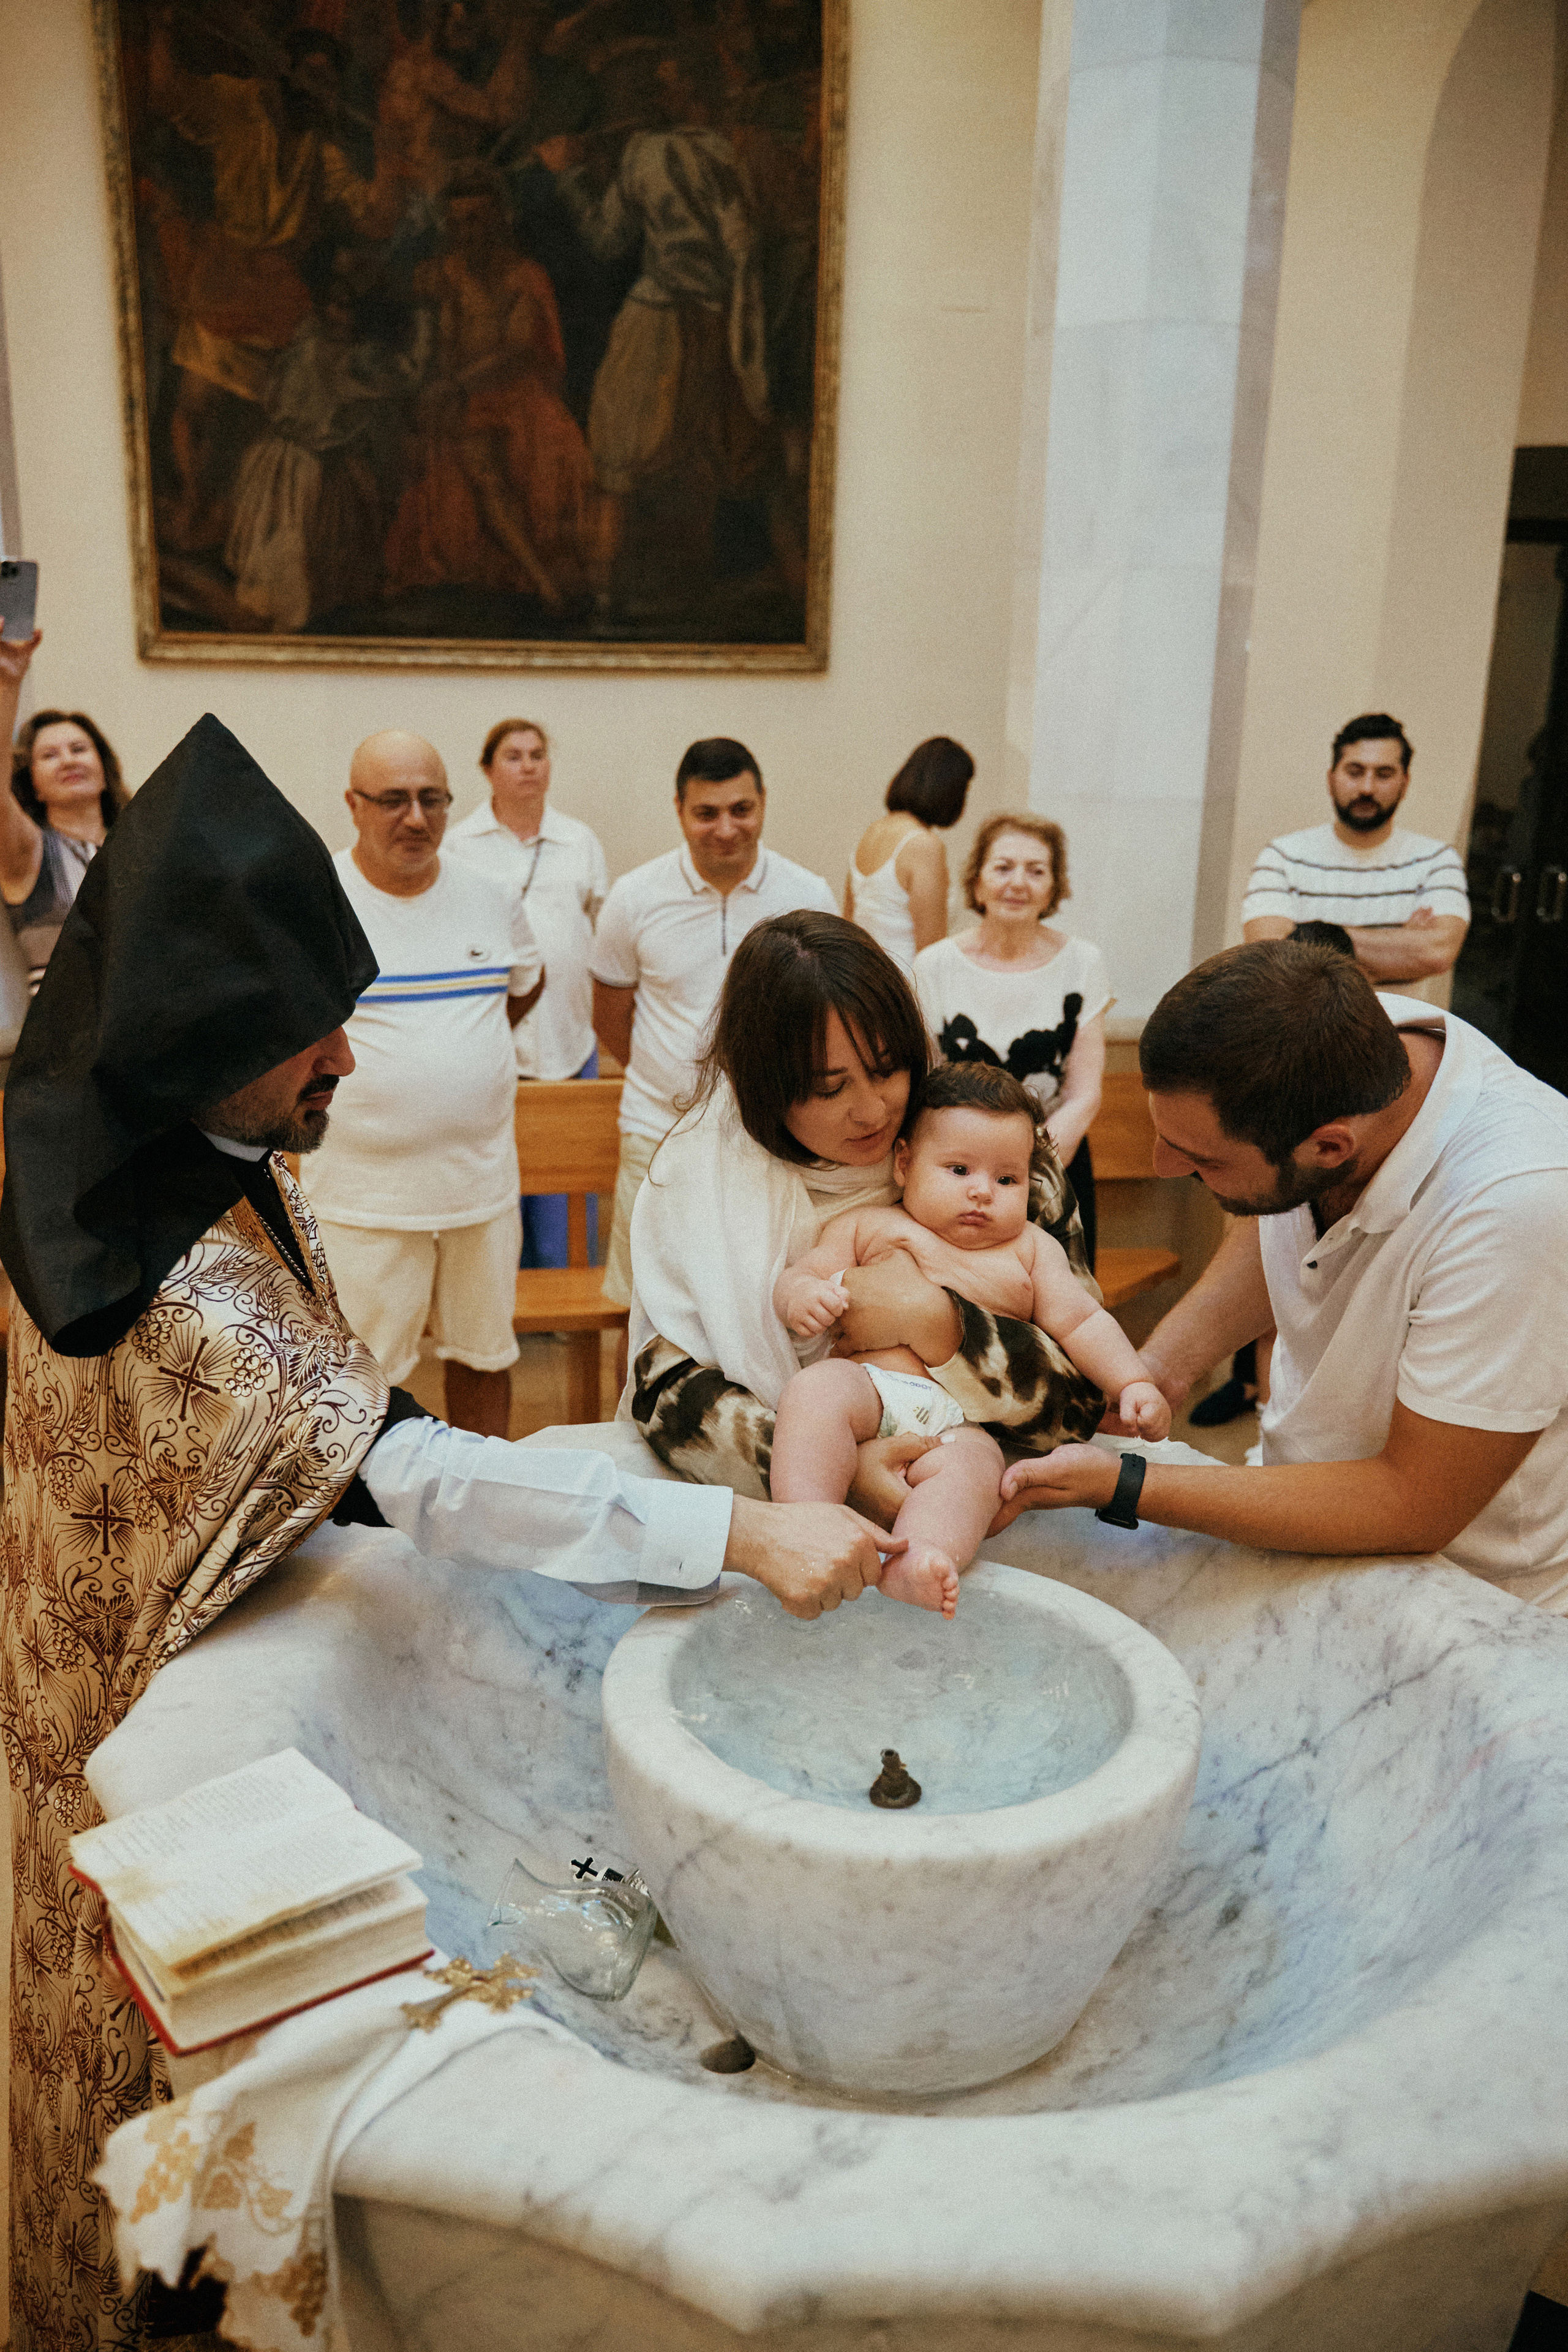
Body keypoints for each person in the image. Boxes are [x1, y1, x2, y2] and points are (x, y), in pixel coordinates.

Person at [0, 714, 897, 2350]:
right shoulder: (185, 1296)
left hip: (115, 1647)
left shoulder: (109, 1126)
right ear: (206, 1030)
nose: (347, 1062)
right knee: (133, 2160)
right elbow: (407, 1470)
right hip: (115, 1743)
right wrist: (738, 1536)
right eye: (314, 1037)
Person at [993, 940, 1568, 1616]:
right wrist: (1158, 1369)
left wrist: (1126, 1484)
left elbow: (1413, 1502)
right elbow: (1281, 1209)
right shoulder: (1344, 1042)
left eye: (1199, 1158)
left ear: (1330, 1145)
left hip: (1471, 1594)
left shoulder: (1519, 1206)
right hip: (1300, 1506)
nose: (1165, 1166)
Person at [627, 911, 1109, 1507]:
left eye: (888, 1070)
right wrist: (842, 1469)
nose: (872, 1111)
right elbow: (664, 1393)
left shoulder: (997, 1162)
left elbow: (1082, 1404)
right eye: (830, 1088)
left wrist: (940, 1324)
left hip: (980, 1495)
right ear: (764, 1084)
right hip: (778, 1517)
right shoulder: (697, 1178)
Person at [771, 1064, 1170, 1615]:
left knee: (977, 1476)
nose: (982, 1192)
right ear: (905, 1164)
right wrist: (800, 1297)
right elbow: (803, 1274)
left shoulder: (1031, 1249)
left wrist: (1132, 1381)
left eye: (1007, 1180)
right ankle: (804, 1524)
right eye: (958, 1170)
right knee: (814, 1394)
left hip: (962, 1422)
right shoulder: (873, 1225)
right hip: (870, 1386)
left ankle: (923, 1558)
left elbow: (1082, 1321)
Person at [1196, 717, 1472, 1428]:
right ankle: (1256, 1392)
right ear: (1332, 775)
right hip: (1295, 1070)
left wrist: (1326, 939)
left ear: (1404, 781)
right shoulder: (1287, 854)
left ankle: (1338, 1405)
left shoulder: (1434, 857)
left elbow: (1439, 948)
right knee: (1276, 1226)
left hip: (1399, 1087)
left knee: (1371, 1247)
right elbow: (1270, 948)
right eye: (1356, 770)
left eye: (1384, 773)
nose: (1368, 786)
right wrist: (1388, 942)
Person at [298, 730, 543, 1439]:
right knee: (362, 1378)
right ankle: (361, 1542)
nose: (415, 819)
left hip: (479, 1187)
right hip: (362, 1199)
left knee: (486, 1358)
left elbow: (521, 988)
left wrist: (456, 1063)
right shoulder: (319, 902)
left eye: (431, 800)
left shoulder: (492, 897)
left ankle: (484, 1520)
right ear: (353, 804)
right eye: (394, 800)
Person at [590, 737, 837, 1325]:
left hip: (771, 1140)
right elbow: (609, 1017)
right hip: (659, 1134)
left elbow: (824, 1019)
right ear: (680, 810)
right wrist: (676, 1080)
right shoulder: (634, 898)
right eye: (707, 813)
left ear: (763, 804)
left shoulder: (809, 896)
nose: (726, 828)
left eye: (741, 810)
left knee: (763, 1304)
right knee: (643, 1307)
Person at [913, 813, 1112, 1267]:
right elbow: (925, 1083)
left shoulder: (1083, 962)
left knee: (1062, 1308)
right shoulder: (934, 965)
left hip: (1057, 1161)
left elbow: (1085, 1096)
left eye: (1036, 870)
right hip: (958, 1171)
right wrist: (981, 1171)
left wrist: (1024, 1167)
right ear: (977, 882)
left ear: (1053, 887)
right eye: (1003, 867)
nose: (1018, 883)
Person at [448, 716, 611, 1270]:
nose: (528, 766)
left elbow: (595, 920)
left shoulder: (579, 840)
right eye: (513, 756)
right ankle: (505, 1293)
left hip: (569, 1035)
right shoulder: (458, 845)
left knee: (569, 1175)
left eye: (537, 754)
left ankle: (566, 1286)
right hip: (493, 1040)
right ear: (488, 770)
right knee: (499, 1177)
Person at [0, 624, 129, 993]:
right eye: (50, 755)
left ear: (105, 771)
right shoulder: (29, 854)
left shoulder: (145, 846)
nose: (68, 761)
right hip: (71, 1045)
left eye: (79, 749)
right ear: (33, 784)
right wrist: (8, 683)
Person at [845, 734, 973, 972]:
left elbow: (848, 924)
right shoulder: (924, 845)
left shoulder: (872, 831)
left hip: (865, 980)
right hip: (905, 983)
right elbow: (931, 948)